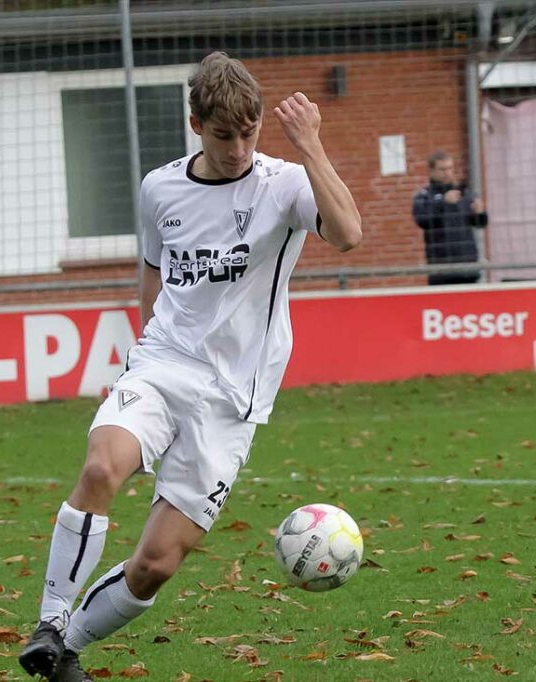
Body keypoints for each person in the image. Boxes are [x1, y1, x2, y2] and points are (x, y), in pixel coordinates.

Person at [18, 51, 362, 682]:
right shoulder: (160, 187)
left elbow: (347, 233)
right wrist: (141, 358)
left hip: (233, 400)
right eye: (223, 135)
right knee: (101, 467)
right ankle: (49, 620)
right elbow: (153, 276)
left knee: (156, 564)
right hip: (161, 366)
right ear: (196, 124)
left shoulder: (283, 184)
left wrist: (310, 145)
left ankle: (64, 650)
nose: (237, 149)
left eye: (249, 133)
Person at [412, 150, 488, 285]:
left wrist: (480, 212)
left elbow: (480, 224)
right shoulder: (424, 196)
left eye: (450, 168)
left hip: (468, 267)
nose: (447, 173)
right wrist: (443, 203)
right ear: (431, 171)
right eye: (442, 169)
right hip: (441, 269)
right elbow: (422, 220)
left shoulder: (464, 194)